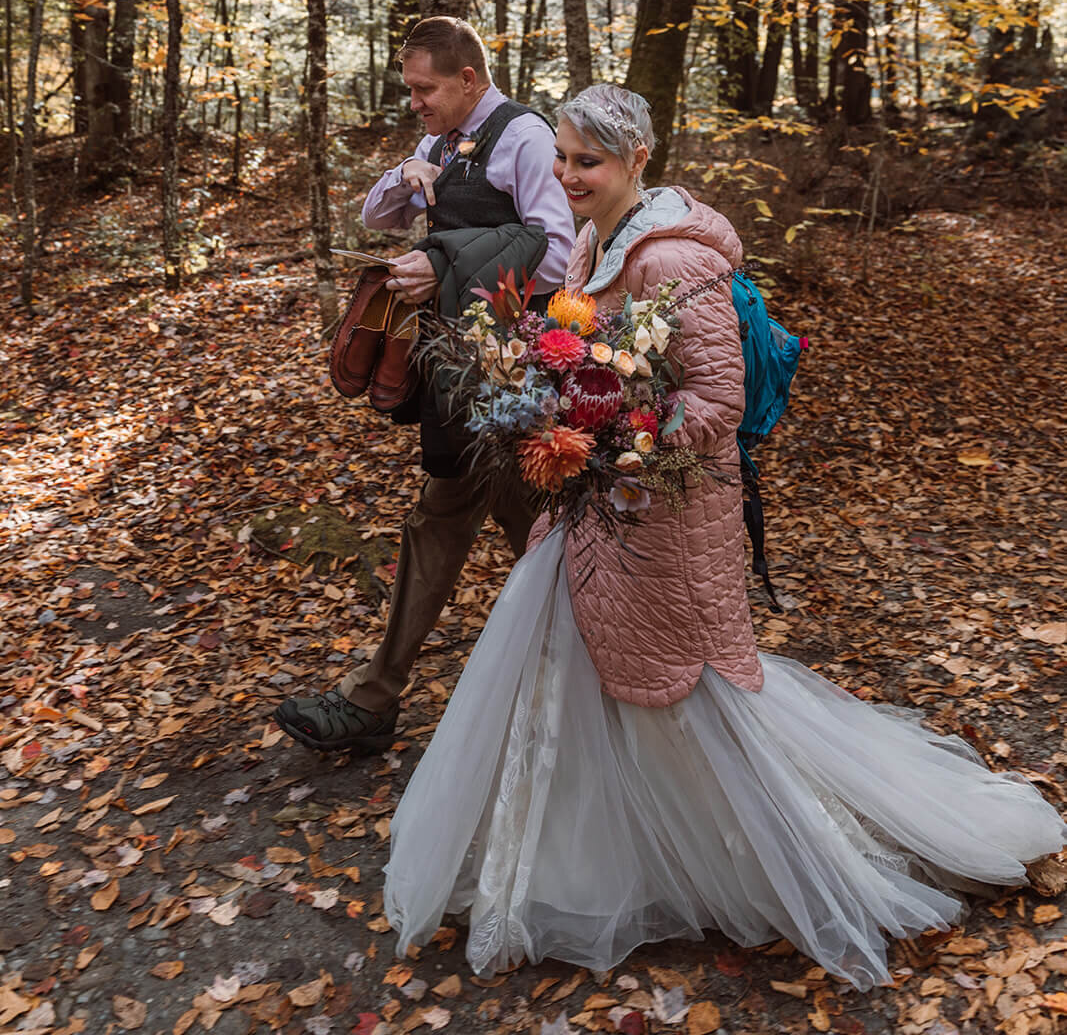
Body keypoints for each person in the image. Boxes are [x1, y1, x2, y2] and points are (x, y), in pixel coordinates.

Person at [383, 83, 1066, 990]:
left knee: (677, 682)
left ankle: (731, 850)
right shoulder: (594, 239)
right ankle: (588, 850)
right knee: (581, 663)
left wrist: (611, 444)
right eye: (560, 157)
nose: (566, 175)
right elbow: (592, 359)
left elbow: (715, 400)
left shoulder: (670, 260)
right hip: (603, 503)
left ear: (636, 162)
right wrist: (558, 415)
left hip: (660, 506)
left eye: (586, 161)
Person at [274, 18, 575, 755]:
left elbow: (559, 252)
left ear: (467, 79)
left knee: (523, 526)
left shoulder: (523, 137)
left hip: (511, 371)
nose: (413, 100)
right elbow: (378, 213)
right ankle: (384, 696)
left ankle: (582, 684)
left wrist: (446, 265)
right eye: (410, 88)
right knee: (463, 511)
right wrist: (403, 177)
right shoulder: (439, 141)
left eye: (423, 88)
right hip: (449, 367)